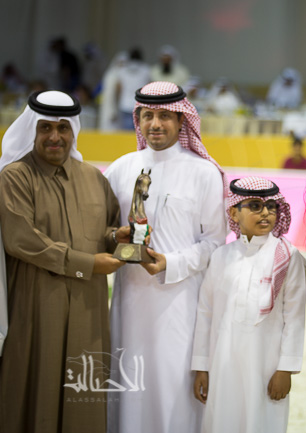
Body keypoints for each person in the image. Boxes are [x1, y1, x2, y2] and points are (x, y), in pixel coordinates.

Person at [0, 90, 128, 433]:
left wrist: (118, 237)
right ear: (32, 130)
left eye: (62, 128)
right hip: (37, 304)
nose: (54, 136)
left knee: (82, 396)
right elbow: (21, 239)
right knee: (34, 389)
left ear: (74, 131)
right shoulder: (15, 176)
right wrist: (88, 264)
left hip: (88, 310)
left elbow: (106, 230)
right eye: (45, 128)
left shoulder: (94, 178)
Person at [104, 81, 228, 433]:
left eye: (164, 116)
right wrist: (115, 238)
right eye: (147, 116)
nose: (155, 124)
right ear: (138, 120)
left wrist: (170, 264)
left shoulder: (203, 172)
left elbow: (214, 243)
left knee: (173, 390)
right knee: (129, 386)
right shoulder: (120, 169)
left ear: (181, 120)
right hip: (128, 300)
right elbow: (102, 231)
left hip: (181, 303)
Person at [192, 176, 306, 433]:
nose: (265, 213)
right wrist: (201, 367)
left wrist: (286, 369)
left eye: (271, 207)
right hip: (222, 363)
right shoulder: (221, 256)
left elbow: (295, 318)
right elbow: (205, 314)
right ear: (234, 212)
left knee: (262, 421)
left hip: (266, 366)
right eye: (255, 206)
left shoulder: (288, 257)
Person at [115, 48, 150, 130]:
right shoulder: (146, 70)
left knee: (126, 132)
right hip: (140, 104)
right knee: (140, 130)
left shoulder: (122, 70)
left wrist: (117, 102)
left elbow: (118, 89)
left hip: (125, 104)